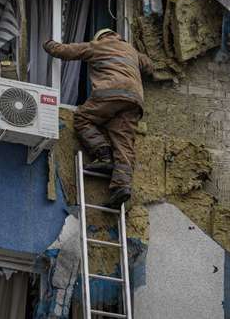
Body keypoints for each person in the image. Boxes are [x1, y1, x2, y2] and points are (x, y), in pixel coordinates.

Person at [43, 28, 153, 207]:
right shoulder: (131, 51)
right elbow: (149, 66)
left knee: (82, 119)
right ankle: (122, 186)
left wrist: (48, 44)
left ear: (100, 37)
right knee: (124, 143)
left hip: (110, 93)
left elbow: (66, 51)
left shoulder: (97, 46)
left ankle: (103, 155)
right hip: (134, 100)